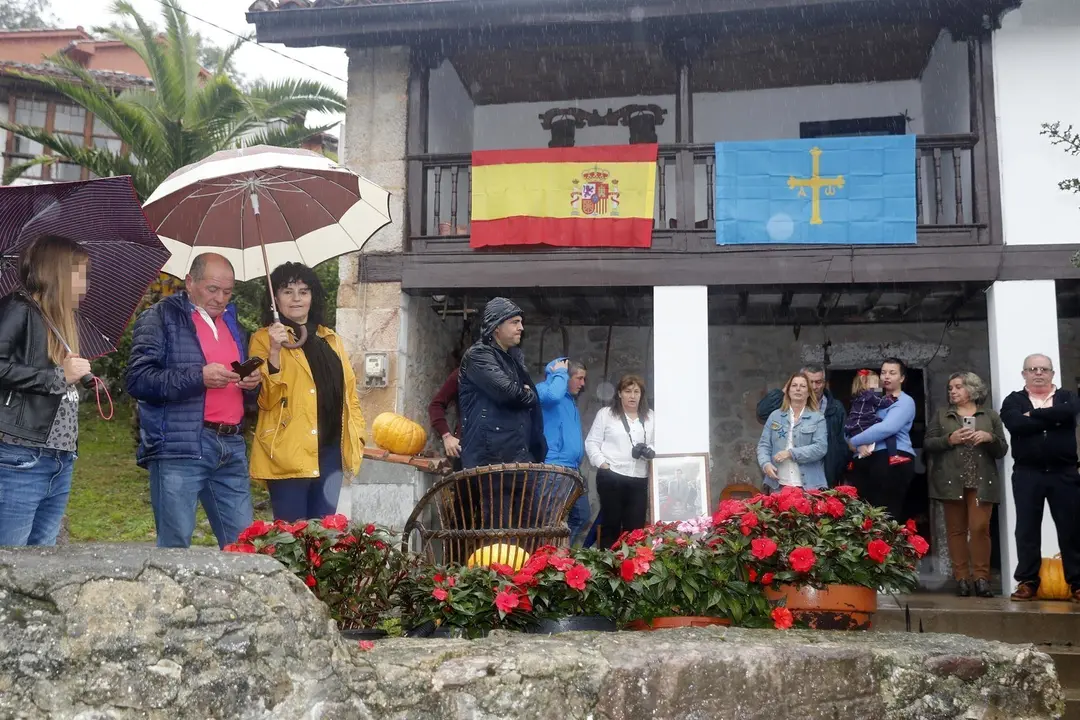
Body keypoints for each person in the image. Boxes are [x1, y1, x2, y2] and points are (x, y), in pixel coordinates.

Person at [126, 253, 260, 548]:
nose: (220, 298)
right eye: (212, 289)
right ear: (190, 282)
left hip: (231, 445)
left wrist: (250, 384)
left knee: (246, 547)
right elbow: (138, 379)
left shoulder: (234, 324)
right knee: (174, 549)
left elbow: (242, 388)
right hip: (181, 446)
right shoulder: (160, 317)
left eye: (227, 291)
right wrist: (198, 377)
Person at [248, 262, 366, 522]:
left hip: (330, 454)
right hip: (289, 451)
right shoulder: (263, 339)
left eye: (304, 291)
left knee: (323, 537)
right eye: (288, 291)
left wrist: (357, 437)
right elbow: (264, 399)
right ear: (275, 299)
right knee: (291, 538)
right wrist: (275, 352)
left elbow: (350, 395)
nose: (297, 298)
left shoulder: (330, 338)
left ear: (313, 296)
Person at [0, 235, 91, 546]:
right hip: (21, 455)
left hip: (59, 457)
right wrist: (57, 376)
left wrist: (70, 377)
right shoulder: (18, 308)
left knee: (43, 560)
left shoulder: (56, 322)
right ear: (59, 273)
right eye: (81, 274)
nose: (86, 284)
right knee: (12, 561)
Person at [999, 353, 1080, 603]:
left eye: (1044, 369)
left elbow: (1069, 413)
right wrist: (1053, 417)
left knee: (1072, 529)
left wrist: (1032, 416)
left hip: (1064, 473)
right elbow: (1015, 425)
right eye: (1032, 369)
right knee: (1027, 529)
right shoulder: (1014, 400)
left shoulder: (1067, 397)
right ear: (1024, 374)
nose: (1038, 373)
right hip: (1028, 473)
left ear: (1052, 373)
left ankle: (1077, 583)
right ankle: (1027, 581)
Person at [458, 297, 546, 526]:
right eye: (515, 322)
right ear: (497, 327)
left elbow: (523, 396)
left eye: (521, 322)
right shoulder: (478, 356)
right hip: (493, 460)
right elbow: (508, 393)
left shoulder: (513, 358)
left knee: (528, 528)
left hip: (518, 457)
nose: (521, 328)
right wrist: (526, 394)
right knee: (498, 531)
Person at [924, 372, 1007, 599]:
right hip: (952, 481)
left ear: (972, 388)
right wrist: (949, 439)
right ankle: (962, 578)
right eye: (950, 387)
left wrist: (988, 438)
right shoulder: (942, 415)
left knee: (980, 528)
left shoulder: (989, 415)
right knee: (956, 531)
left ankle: (981, 578)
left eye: (958, 387)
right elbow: (928, 443)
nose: (952, 391)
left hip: (981, 481)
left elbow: (1002, 449)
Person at [585, 374, 655, 549]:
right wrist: (602, 463)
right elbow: (592, 442)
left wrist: (650, 451)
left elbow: (656, 443)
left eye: (637, 392)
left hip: (639, 477)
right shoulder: (606, 414)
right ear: (619, 393)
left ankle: (631, 569)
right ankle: (607, 569)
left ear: (642, 395)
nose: (632, 396)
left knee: (635, 528)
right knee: (611, 524)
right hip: (612, 475)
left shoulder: (650, 417)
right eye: (628, 391)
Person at [846, 358, 917, 521]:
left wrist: (854, 442)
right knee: (865, 516)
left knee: (886, 515)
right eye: (883, 372)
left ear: (902, 378)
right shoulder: (873, 399)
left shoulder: (904, 401)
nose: (886, 376)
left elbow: (887, 428)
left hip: (893, 458)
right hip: (867, 458)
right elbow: (851, 424)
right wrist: (854, 444)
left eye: (892, 373)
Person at [757, 363, 848, 487]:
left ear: (824, 383)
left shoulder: (833, 409)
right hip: (779, 480)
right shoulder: (777, 414)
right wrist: (765, 463)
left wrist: (836, 473)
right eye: (810, 382)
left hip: (818, 478)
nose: (815, 387)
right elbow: (762, 414)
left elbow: (838, 445)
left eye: (819, 382)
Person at [536, 358, 589, 543]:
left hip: (572, 469)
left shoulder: (569, 400)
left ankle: (562, 556)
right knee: (551, 521)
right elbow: (552, 397)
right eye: (579, 378)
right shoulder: (544, 390)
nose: (582, 384)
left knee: (581, 516)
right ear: (565, 377)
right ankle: (549, 561)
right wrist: (559, 372)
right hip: (554, 468)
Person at [757, 372, 828, 492]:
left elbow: (820, 448)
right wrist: (766, 464)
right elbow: (764, 445)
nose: (798, 389)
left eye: (803, 386)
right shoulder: (775, 416)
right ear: (788, 390)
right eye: (794, 385)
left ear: (808, 392)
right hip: (778, 485)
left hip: (809, 487)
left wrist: (791, 453)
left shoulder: (818, 417)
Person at [845, 369, 900, 461]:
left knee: (863, 448)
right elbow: (881, 403)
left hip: (853, 426)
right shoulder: (869, 395)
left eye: (878, 383)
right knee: (888, 431)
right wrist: (892, 398)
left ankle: (857, 454)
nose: (877, 386)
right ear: (864, 384)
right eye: (874, 383)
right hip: (864, 423)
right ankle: (893, 455)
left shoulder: (858, 396)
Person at [428, 367, 462, 470]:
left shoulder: (507, 371)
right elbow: (436, 405)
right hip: (466, 448)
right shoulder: (463, 373)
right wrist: (447, 436)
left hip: (502, 449)